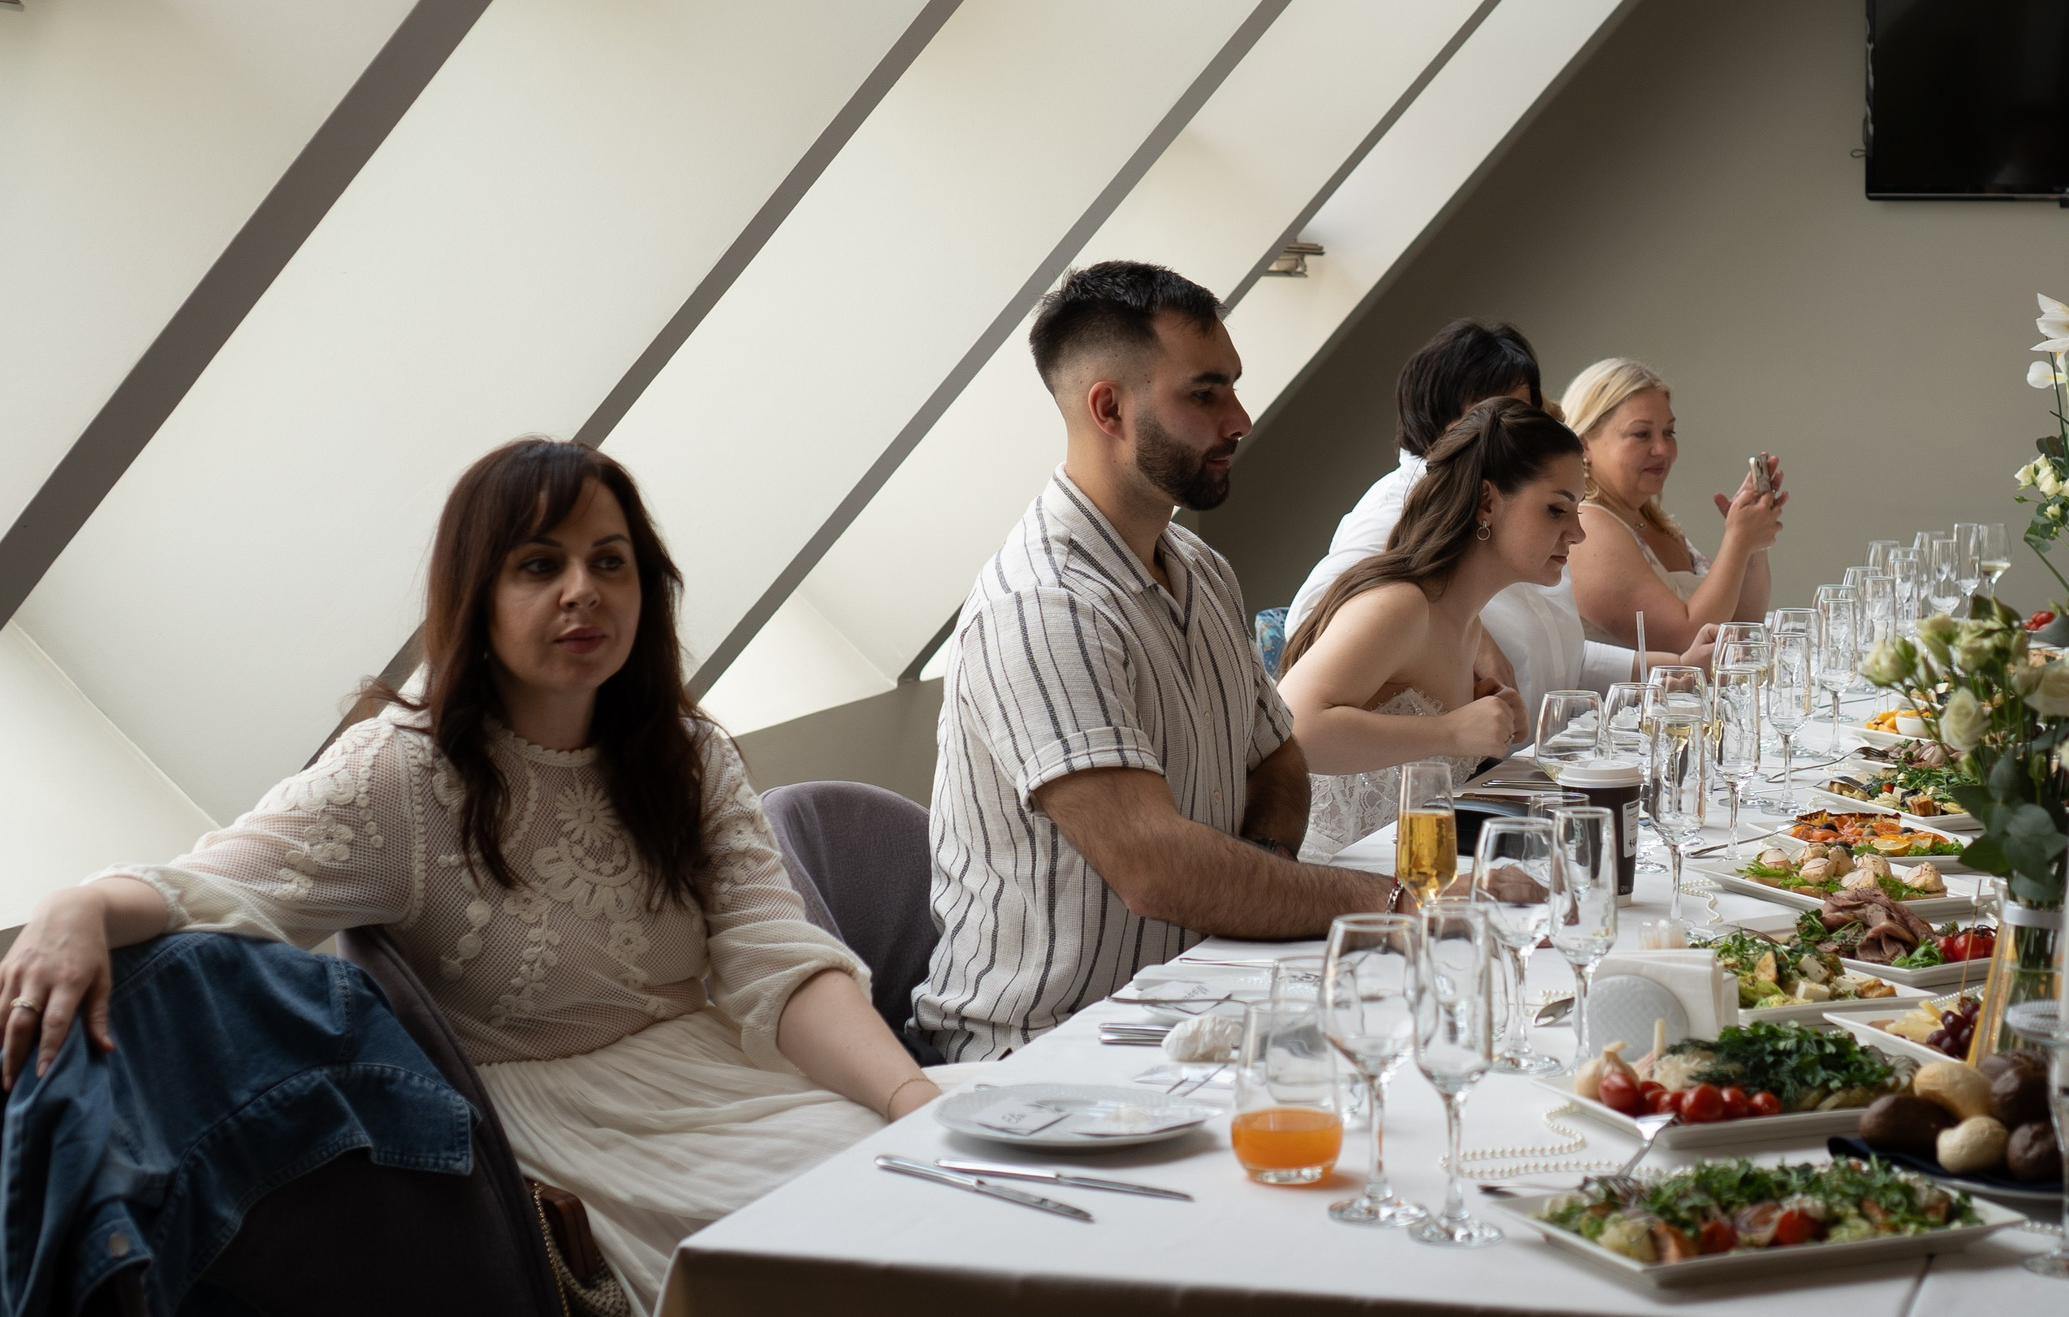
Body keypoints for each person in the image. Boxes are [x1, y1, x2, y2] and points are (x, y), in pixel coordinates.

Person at [0, 441, 933, 1309]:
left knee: (933, 1190)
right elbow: (217, 884)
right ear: (476, 594)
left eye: (611, 562)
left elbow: (778, 957)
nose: (584, 591)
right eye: (539, 565)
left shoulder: (688, 754)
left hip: (731, 1081)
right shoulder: (400, 775)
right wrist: (73, 904)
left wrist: (908, 1098)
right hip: (569, 1140)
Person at [915, 262, 1422, 1063]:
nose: (1241, 417)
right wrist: (1390, 902)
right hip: (1049, 1047)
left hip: (1198, 996)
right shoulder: (1043, 603)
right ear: (1109, 408)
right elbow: (1152, 867)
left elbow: (1278, 759)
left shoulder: (1200, 567)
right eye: (1205, 393)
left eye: (1234, 388)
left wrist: (1249, 888)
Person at [1284, 321, 1708, 724]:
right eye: (1499, 409)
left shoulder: (1524, 496)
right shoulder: (1396, 509)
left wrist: (1672, 669)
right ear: (1447, 420)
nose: (1521, 425)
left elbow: (1557, 656)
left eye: (1524, 407)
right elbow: (1309, 621)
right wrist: (1463, 629)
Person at [1279, 400, 1585, 862]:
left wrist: (1484, 731)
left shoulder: (1463, 621)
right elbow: (1295, 729)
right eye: (1557, 510)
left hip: (1410, 876)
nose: (1578, 532)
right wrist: (1451, 732)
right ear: (1487, 502)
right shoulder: (1402, 607)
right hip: (1329, 889)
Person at [1562, 357, 1784, 648]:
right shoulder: (1587, 527)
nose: (1662, 449)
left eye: (1669, 432)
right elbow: (1684, 642)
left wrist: (1753, 543)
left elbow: (1742, 625)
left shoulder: (1654, 523)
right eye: (1641, 434)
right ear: (1584, 444)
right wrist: (1737, 541)